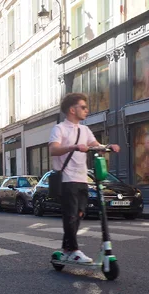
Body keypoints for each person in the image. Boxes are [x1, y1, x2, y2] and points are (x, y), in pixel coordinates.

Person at [49, 93, 120, 263]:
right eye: (83, 107)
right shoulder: (59, 129)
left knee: (80, 213)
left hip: (82, 179)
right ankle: (73, 250)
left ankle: (66, 249)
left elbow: (95, 145)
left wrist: (108, 147)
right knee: (71, 215)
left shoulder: (84, 130)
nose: (86, 110)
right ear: (72, 110)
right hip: (67, 179)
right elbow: (53, 149)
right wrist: (74, 147)